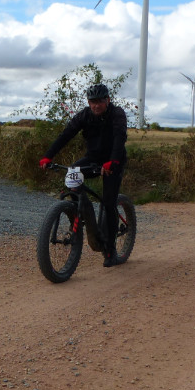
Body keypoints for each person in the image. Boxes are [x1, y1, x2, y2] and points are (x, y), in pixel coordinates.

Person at [39, 83, 128, 267]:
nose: (96, 105)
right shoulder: (84, 115)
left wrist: (113, 161)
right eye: (92, 102)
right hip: (93, 159)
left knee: (109, 203)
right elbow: (66, 134)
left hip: (114, 160)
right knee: (72, 174)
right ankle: (79, 211)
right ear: (88, 102)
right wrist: (48, 156)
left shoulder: (117, 114)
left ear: (108, 100)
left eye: (100, 101)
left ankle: (110, 250)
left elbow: (120, 137)